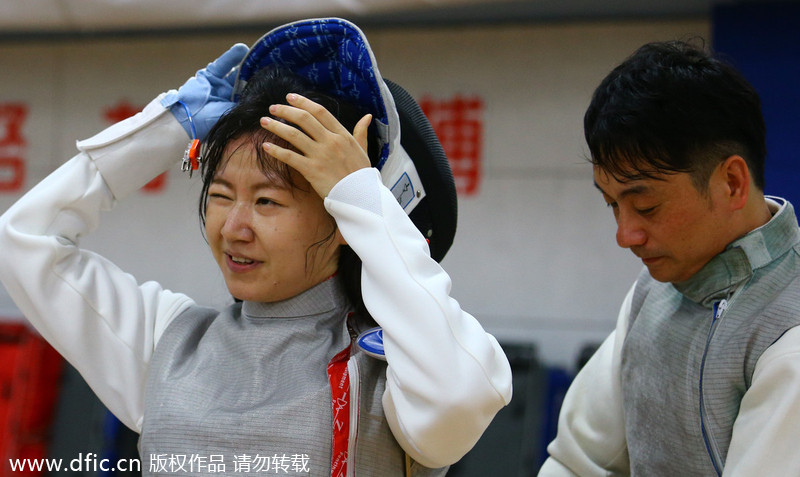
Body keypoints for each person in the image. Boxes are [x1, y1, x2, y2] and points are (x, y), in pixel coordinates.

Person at [0, 18, 512, 476]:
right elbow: (24, 242)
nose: (233, 227)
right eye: (221, 195)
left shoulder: (389, 371)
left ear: (343, 220)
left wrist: (362, 196)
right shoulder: (169, 343)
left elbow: (463, 395)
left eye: (267, 201)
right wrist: (161, 132)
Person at [539, 40, 800, 476]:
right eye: (612, 205)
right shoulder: (651, 294)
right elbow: (576, 462)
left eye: (646, 207)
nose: (625, 235)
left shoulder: (789, 332)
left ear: (732, 183)